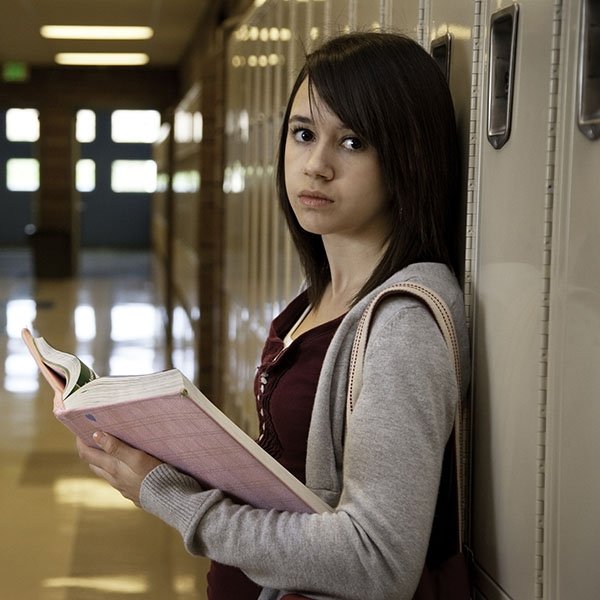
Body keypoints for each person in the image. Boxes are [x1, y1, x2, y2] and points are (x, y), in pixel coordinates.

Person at [77, 31, 470, 600]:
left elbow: (377, 562)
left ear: (407, 156)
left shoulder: (403, 325)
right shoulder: (318, 299)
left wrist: (171, 497)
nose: (317, 165)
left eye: (354, 142)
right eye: (303, 134)